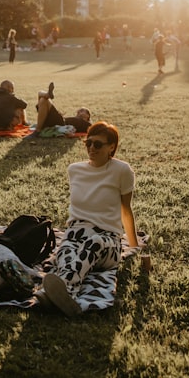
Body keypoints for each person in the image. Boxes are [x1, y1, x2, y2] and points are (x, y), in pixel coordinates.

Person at [39, 121, 142, 316]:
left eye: (98, 144)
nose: (91, 148)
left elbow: (126, 210)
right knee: (66, 252)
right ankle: (63, 296)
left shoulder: (122, 170)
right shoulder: (74, 170)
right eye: (88, 143)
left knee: (93, 243)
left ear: (112, 146)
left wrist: (134, 245)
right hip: (76, 233)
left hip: (107, 241)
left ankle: (61, 291)